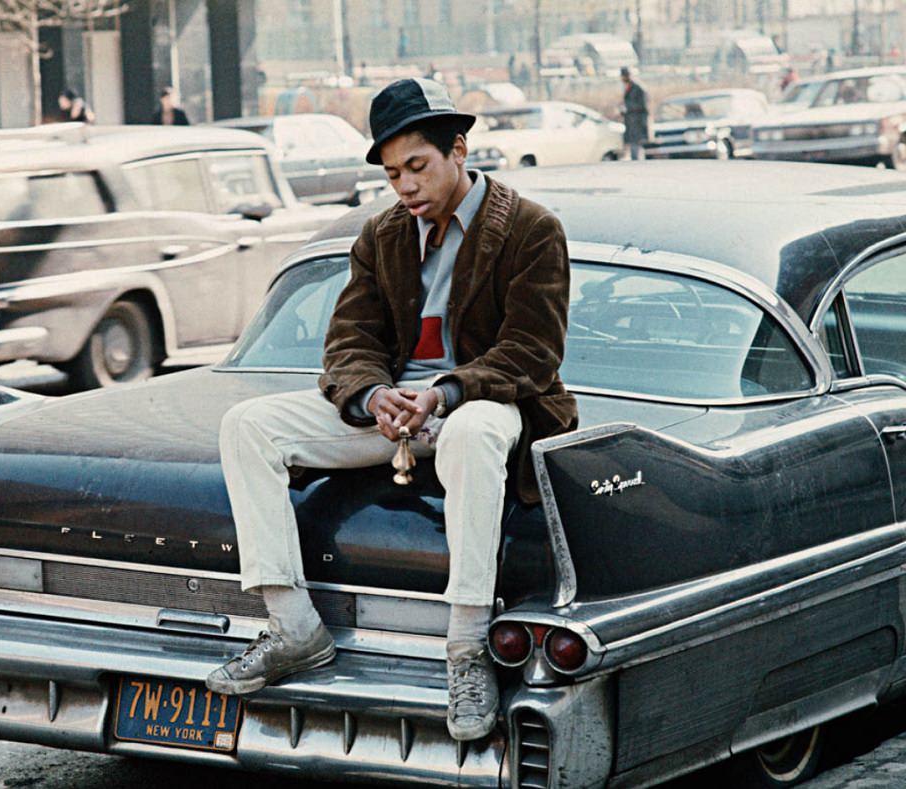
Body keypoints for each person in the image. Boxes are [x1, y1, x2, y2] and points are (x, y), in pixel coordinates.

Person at [205, 78, 576, 742]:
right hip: (392, 412)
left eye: (417, 166)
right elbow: (348, 342)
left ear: (458, 149)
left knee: (470, 432)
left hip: (488, 404)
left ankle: (466, 647)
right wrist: (375, 395)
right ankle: (293, 625)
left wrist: (443, 392)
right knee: (247, 424)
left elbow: (532, 352)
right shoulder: (380, 235)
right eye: (391, 172)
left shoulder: (531, 228)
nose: (404, 186)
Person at [619, 66, 649, 161]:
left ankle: (637, 165)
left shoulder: (637, 88)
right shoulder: (628, 87)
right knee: (633, 146)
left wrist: (628, 107)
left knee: (636, 146)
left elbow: (643, 105)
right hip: (631, 121)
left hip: (637, 121)